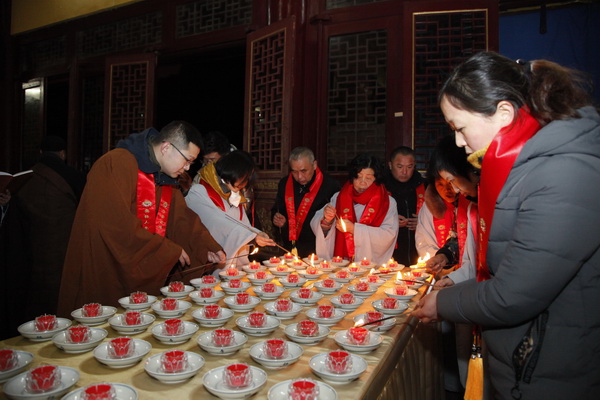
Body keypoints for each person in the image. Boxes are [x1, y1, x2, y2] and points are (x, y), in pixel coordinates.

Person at [413, 52, 600, 399]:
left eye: (459, 128)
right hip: (521, 361)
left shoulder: (564, 172)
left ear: (503, 113)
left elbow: (515, 293)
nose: (458, 142)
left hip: (549, 368)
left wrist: (442, 303)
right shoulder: (516, 166)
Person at [57, 121, 225, 316]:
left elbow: (183, 220)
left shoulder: (164, 178)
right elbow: (114, 225)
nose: (187, 168)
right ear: (166, 147)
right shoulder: (116, 163)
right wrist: (163, 249)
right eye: (187, 160)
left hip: (137, 272)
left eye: (191, 163)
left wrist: (205, 245)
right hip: (107, 269)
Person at [1, 136, 86, 338]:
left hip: (33, 252)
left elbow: (16, 220)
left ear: (40, 153)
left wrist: (8, 203)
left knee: (35, 302)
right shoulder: (74, 176)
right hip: (66, 251)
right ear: (63, 154)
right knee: (63, 301)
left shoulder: (26, 178)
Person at [186, 150, 275, 269]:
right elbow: (216, 223)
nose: (245, 184)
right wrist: (250, 237)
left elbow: (242, 224)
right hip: (209, 265)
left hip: (234, 266)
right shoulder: (199, 192)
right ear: (230, 173)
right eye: (242, 180)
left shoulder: (234, 193)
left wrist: (256, 233)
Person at [311, 153, 398, 264]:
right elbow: (320, 228)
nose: (362, 182)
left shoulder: (388, 202)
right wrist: (327, 220)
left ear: (376, 179)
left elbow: (388, 235)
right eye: (358, 176)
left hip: (370, 266)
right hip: (341, 262)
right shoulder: (339, 197)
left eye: (368, 178)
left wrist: (354, 229)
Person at [272, 147, 340, 256]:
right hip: (290, 247)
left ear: (314, 165)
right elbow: (277, 209)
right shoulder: (284, 183)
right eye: (294, 171)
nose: (299, 177)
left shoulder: (330, 185)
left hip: (317, 247)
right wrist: (279, 220)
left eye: (304, 171)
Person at [383, 146, 427, 266]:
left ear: (415, 166)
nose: (404, 172)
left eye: (409, 167)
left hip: (418, 248)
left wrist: (423, 221)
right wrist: (389, 220)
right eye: (400, 166)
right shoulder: (380, 187)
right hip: (390, 250)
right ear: (390, 165)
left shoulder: (425, 186)